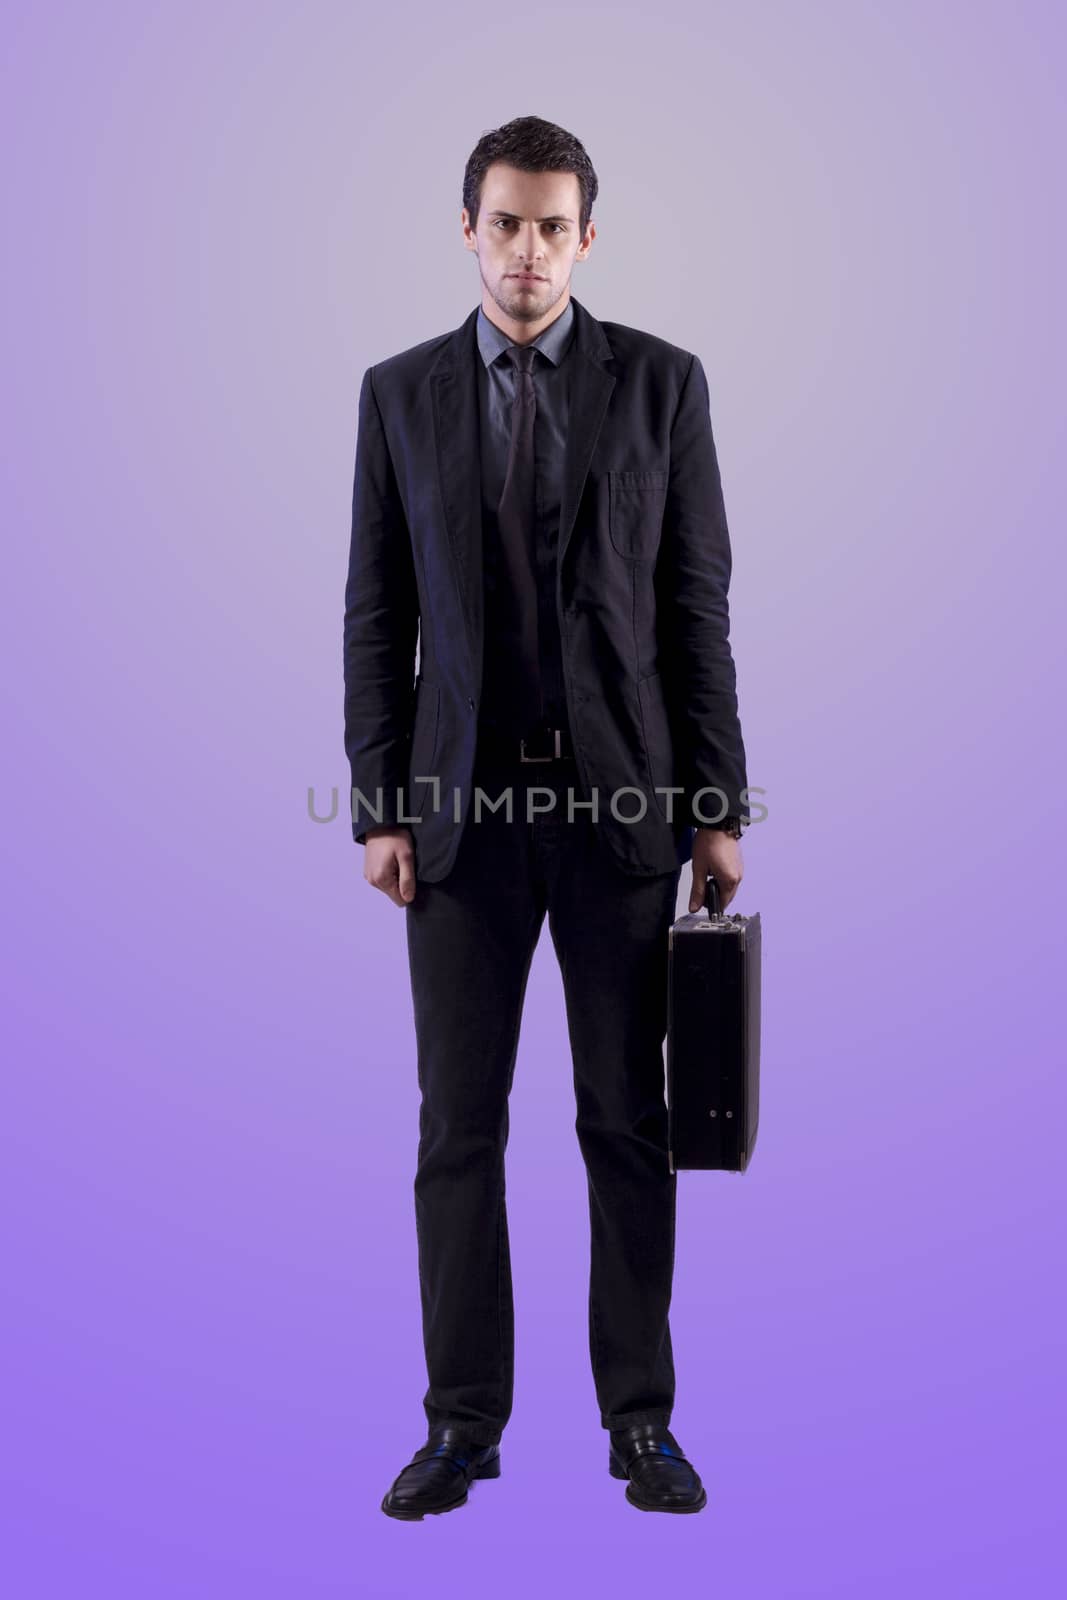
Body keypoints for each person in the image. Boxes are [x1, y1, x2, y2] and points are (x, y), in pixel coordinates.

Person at [343, 116, 750, 1519]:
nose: (528, 251)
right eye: (505, 223)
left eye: (553, 227)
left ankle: (641, 1422)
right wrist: (377, 808)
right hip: (458, 825)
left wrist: (718, 805)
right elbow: (375, 615)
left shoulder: (664, 389)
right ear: (469, 230)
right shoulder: (397, 396)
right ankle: (463, 1424)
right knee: (458, 1128)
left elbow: (695, 608)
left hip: (622, 813)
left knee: (626, 1123)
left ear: (588, 238)